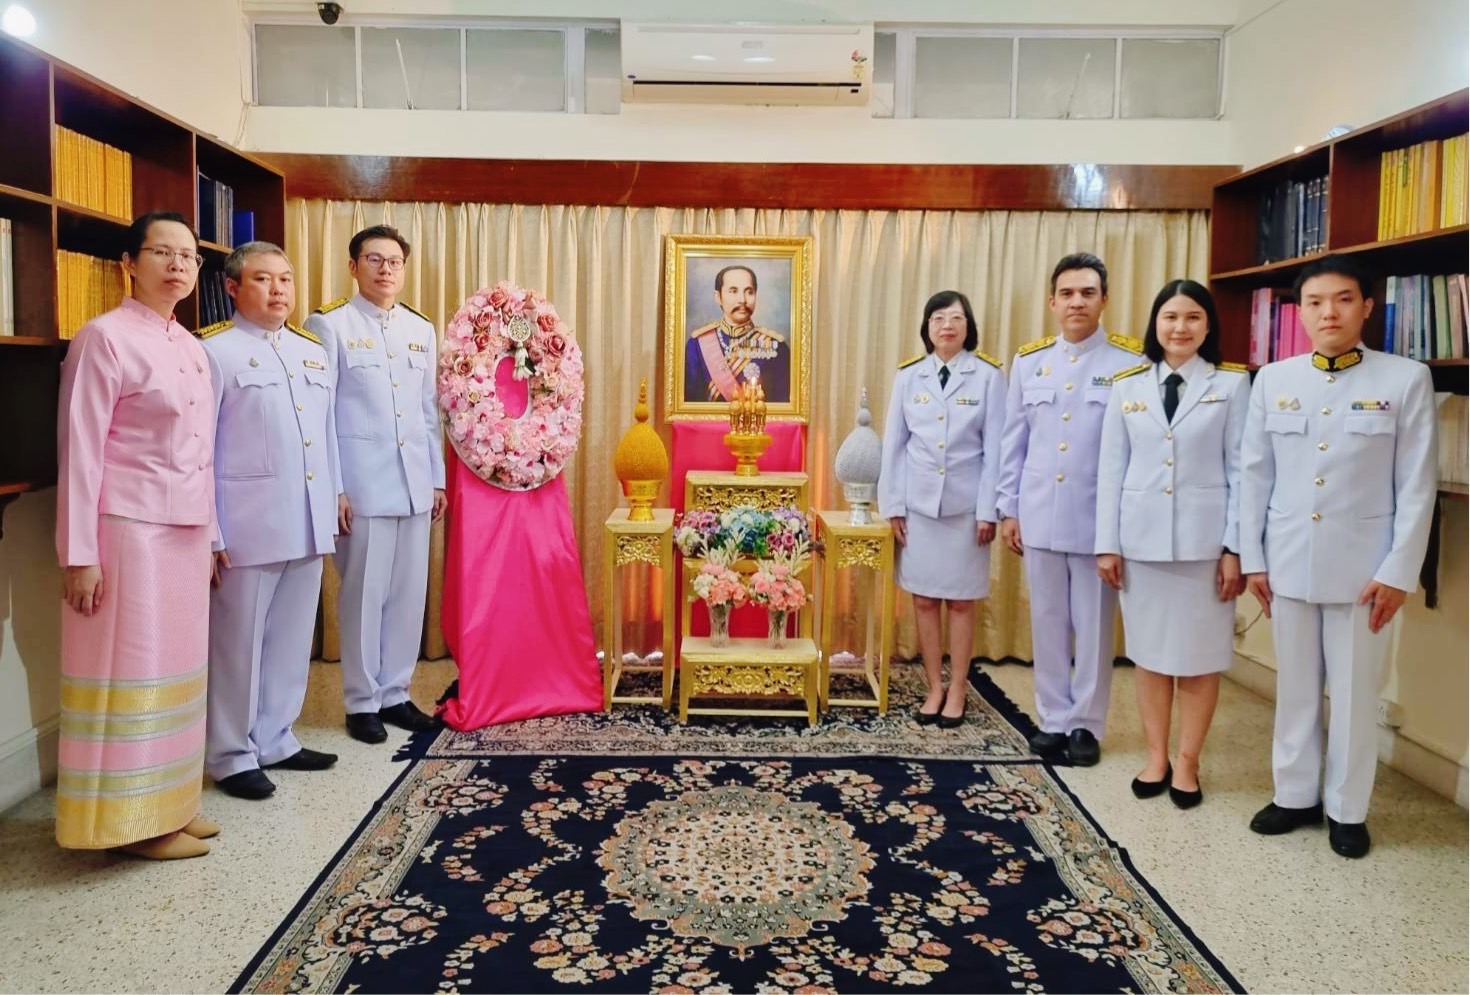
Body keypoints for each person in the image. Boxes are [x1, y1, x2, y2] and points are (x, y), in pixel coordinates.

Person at [1240, 255, 1436, 858]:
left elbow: (1417, 483)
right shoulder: (1274, 378)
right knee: (1295, 686)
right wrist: (1253, 557)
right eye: (1317, 302)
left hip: (1364, 569)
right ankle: (1294, 794)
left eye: (1344, 299)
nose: (1330, 312)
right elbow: (1254, 475)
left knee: (1353, 693)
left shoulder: (1404, 378)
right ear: (1301, 312)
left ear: (1367, 307)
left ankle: (1347, 809)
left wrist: (1398, 571)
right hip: (1289, 560)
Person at [55, 211, 219, 860]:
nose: (178, 265)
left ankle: (174, 804)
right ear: (130, 262)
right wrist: (79, 554)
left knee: (178, 670)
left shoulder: (190, 343)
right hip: (127, 530)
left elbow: (204, 451)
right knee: (133, 671)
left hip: (182, 530)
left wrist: (209, 534)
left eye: (188, 256)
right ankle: (129, 825)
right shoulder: (104, 338)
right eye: (162, 252)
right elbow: (80, 450)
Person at [1095, 279, 1249, 808]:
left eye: (1192, 318)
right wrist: (1106, 544)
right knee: (1150, 658)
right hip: (1141, 546)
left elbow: (1241, 471)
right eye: (1170, 317)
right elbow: (1110, 470)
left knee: (1201, 661)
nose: (1180, 328)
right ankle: (1156, 755)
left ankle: (1188, 761)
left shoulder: (1231, 385)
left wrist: (1236, 548)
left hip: (1206, 550)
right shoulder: (1128, 386)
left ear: (1208, 326)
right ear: (1154, 325)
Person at [201, 241, 340, 800]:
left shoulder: (310, 351)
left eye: (285, 278)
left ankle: (277, 736)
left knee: (289, 635)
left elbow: (325, 435)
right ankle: (232, 753)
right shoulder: (213, 352)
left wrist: (332, 501)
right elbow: (200, 450)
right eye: (263, 279)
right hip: (247, 525)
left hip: (306, 517)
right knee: (238, 643)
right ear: (234, 288)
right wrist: (210, 531)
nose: (279, 290)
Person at [997, 253, 1142, 766]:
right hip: (1039, 512)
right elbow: (1014, 441)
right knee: (1048, 620)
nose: (1077, 301)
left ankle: (1086, 723)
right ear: (1052, 301)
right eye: (1067, 293)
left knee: (1094, 623)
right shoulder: (1030, 361)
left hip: (1096, 518)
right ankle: (1052, 718)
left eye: (1088, 292)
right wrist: (1008, 508)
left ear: (1104, 299)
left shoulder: (1130, 363)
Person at [305, 225, 445, 744]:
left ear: (404, 269)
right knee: (363, 592)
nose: (385, 269)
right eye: (374, 259)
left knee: (408, 593)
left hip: (413, 485)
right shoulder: (330, 325)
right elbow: (318, 414)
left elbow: (428, 412)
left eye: (394, 262)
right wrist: (334, 488)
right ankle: (361, 701)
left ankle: (396, 692)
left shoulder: (420, 329)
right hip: (361, 485)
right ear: (353, 266)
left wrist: (436, 479)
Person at [879, 291, 1007, 728]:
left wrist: (990, 510)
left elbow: (996, 452)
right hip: (918, 508)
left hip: (967, 510)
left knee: (962, 602)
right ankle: (934, 685)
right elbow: (894, 447)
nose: (947, 325)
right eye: (938, 318)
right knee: (924, 598)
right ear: (927, 328)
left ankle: (959, 687)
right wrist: (893, 505)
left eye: (955, 318)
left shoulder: (989, 377)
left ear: (968, 325)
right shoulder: (909, 377)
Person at [684, 264, 791, 404]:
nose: (742, 299)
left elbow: (783, 409)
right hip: (709, 426)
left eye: (749, 292)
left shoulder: (776, 346)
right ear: (718, 297)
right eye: (733, 291)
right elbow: (689, 407)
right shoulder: (697, 345)